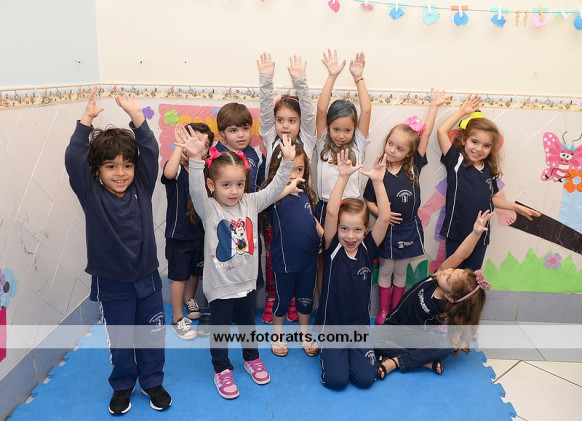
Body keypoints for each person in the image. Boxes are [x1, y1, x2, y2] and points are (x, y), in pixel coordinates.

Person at [65, 88, 171, 414]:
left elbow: (150, 150)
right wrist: (86, 121)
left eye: (127, 165)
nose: (121, 173)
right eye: (111, 166)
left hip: (147, 278)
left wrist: (137, 115)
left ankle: (152, 381)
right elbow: (73, 160)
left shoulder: (142, 186)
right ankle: (123, 384)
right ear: (97, 170)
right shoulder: (90, 193)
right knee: (122, 340)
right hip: (112, 283)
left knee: (152, 334)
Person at [176, 127, 296, 400]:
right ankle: (221, 368)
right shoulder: (209, 208)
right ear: (212, 185)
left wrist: (287, 161)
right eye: (226, 185)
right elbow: (195, 189)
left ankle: (252, 358)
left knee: (247, 325)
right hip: (220, 287)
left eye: (239, 184)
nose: (234, 191)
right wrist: (195, 159)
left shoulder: (251, 202)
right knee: (220, 330)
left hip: (246, 284)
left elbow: (275, 188)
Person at [375, 210, 495, 379]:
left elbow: (451, 334)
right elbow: (460, 254)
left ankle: (397, 362)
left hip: (414, 337)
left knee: (445, 345)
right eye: (452, 270)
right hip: (394, 326)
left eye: (448, 278)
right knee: (372, 340)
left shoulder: (443, 306)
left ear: (450, 297)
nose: (446, 271)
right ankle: (423, 361)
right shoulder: (438, 275)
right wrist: (475, 234)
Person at [364, 89, 447, 324]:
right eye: (390, 144)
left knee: (401, 272)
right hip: (385, 231)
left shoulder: (413, 167)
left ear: (410, 152)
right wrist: (382, 214)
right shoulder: (378, 170)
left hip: (409, 230)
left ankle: (395, 311)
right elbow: (368, 201)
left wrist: (434, 105)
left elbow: (426, 133)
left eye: (399, 148)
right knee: (386, 270)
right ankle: (383, 311)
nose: (392, 150)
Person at [436, 95, 540, 270]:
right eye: (474, 142)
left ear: (492, 148)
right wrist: (462, 111)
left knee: (472, 278)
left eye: (486, 145)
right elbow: (441, 131)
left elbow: (489, 199)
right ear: (464, 140)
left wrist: (515, 207)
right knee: (451, 277)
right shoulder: (456, 161)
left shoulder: (488, 170)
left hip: (481, 235)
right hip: (457, 233)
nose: (479, 149)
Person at [315, 149, 390, 390]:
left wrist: (378, 183)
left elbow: (384, 218)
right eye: (344, 229)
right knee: (337, 381)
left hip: (359, 328)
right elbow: (331, 212)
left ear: (366, 230)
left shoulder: (368, 247)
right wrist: (343, 177)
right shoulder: (332, 246)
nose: (350, 236)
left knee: (365, 380)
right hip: (334, 327)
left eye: (357, 230)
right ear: (337, 229)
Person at [257, 52, 317, 323]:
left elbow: (308, 112)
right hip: (275, 208)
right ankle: (274, 298)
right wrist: (266, 79)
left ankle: (294, 300)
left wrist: (300, 81)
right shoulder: (271, 139)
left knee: (300, 257)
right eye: (281, 120)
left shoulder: (307, 140)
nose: (285, 125)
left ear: (300, 123)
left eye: (292, 121)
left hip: (301, 211)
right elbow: (265, 110)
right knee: (274, 257)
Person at [315, 49, 372, 297]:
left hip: (352, 211)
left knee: (351, 261)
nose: (341, 135)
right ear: (328, 128)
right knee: (323, 259)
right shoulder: (322, 143)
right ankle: (324, 303)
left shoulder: (358, 146)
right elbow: (321, 110)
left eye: (347, 130)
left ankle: (347, 300)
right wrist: (332, 76)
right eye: (336, 129)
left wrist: (359, 78)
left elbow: (366, 111)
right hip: (325, 209)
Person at [260, 143, 323, 358]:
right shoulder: (273, 196)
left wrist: (324, 237)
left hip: (309, 259)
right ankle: (277, 335)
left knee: (305, 299)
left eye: (300, 169)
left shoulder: (306, 194)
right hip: (285, 261)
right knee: (283, 300)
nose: (294, 175)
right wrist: (286, 187)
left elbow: (311, 219)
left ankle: (304, 334)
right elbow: (266, 201)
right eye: (288, 169)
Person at [161, 123, 214, 340]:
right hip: (179, 235)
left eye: (203, 144)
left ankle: (190, 299)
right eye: (190, 141)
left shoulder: (205, 172)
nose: (196, 146)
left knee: (195, 272)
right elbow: (168, 173)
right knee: (179, 277)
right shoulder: (176, 168)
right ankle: (177, 317)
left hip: (200, 234)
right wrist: (179, 145)